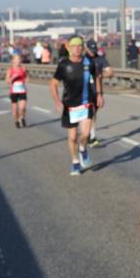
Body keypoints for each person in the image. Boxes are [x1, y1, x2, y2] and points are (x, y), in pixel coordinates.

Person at [50, 36, 103, 176]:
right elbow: (53, 84)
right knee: (72, 137)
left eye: (80, 46)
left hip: (86, 104)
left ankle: (82, 149)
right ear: (69, 48)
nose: (78, 48)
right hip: (69, 106)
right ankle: (75, 162)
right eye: (75, 46)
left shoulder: (88, 62)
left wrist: (98, 94)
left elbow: (97, 77)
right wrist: (57, 101)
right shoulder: (63, 65)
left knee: (85, 135)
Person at [86, 45, 113, 148]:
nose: (92, 52)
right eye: (90, 50)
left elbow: (110, 72)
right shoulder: (83, 59)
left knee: (93, 113)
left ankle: (90, 135)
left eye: (94, 50)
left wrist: (102, 75)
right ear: (86, 48)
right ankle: (91, 136)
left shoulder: (101, 59)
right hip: (85, 90)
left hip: (97, 90)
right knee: (89, 113)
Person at [5, 54, 28, 128]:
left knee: (22, 108)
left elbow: (27, 77)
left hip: (22, 90)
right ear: (13, 61)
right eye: (17, 59)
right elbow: (7, 81)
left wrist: (25, 81)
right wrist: (12, 78)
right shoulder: (10, 70)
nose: (18, 61)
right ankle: (16, 121)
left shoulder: (23, 69)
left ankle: (22, 118)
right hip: (13, 92)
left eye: (19, 59)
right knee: (15, 111)